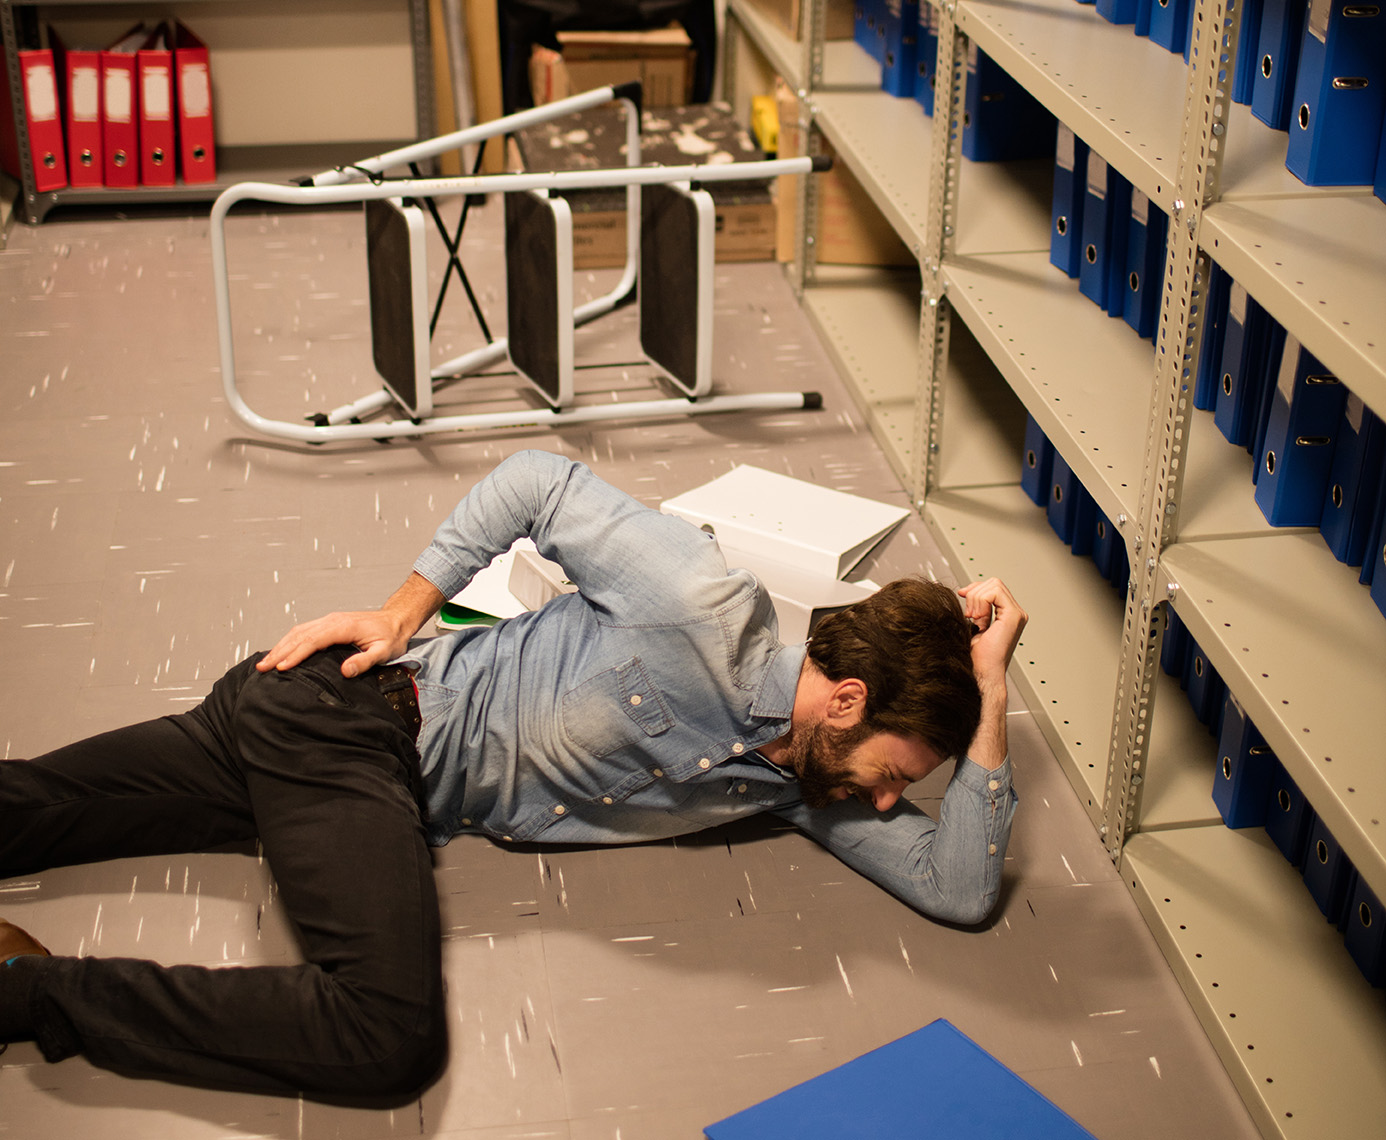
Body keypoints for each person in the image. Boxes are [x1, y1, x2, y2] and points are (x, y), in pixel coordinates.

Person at [0, 449, 1025, 1099]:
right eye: (898, 772)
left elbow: (960, 887)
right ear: (846, 703)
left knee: (31, 811)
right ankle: (28, 995)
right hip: (351, 721)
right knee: (384, 1037)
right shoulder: (703, 606)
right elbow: (537, 482)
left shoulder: (798, 782)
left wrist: (990, 690)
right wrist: (402, 612)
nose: (891, 800)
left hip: (350, 772)